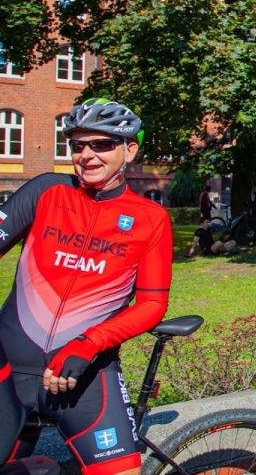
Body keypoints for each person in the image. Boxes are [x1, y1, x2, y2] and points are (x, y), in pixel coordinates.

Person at [0, 98, 172, 475]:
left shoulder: (151, 218)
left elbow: (151, 305)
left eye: (102, 144)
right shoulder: (47, 191)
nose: (87, 155)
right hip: (9, 371)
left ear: (130, 149)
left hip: (86, 372)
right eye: (78, 145)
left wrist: (89, 342)